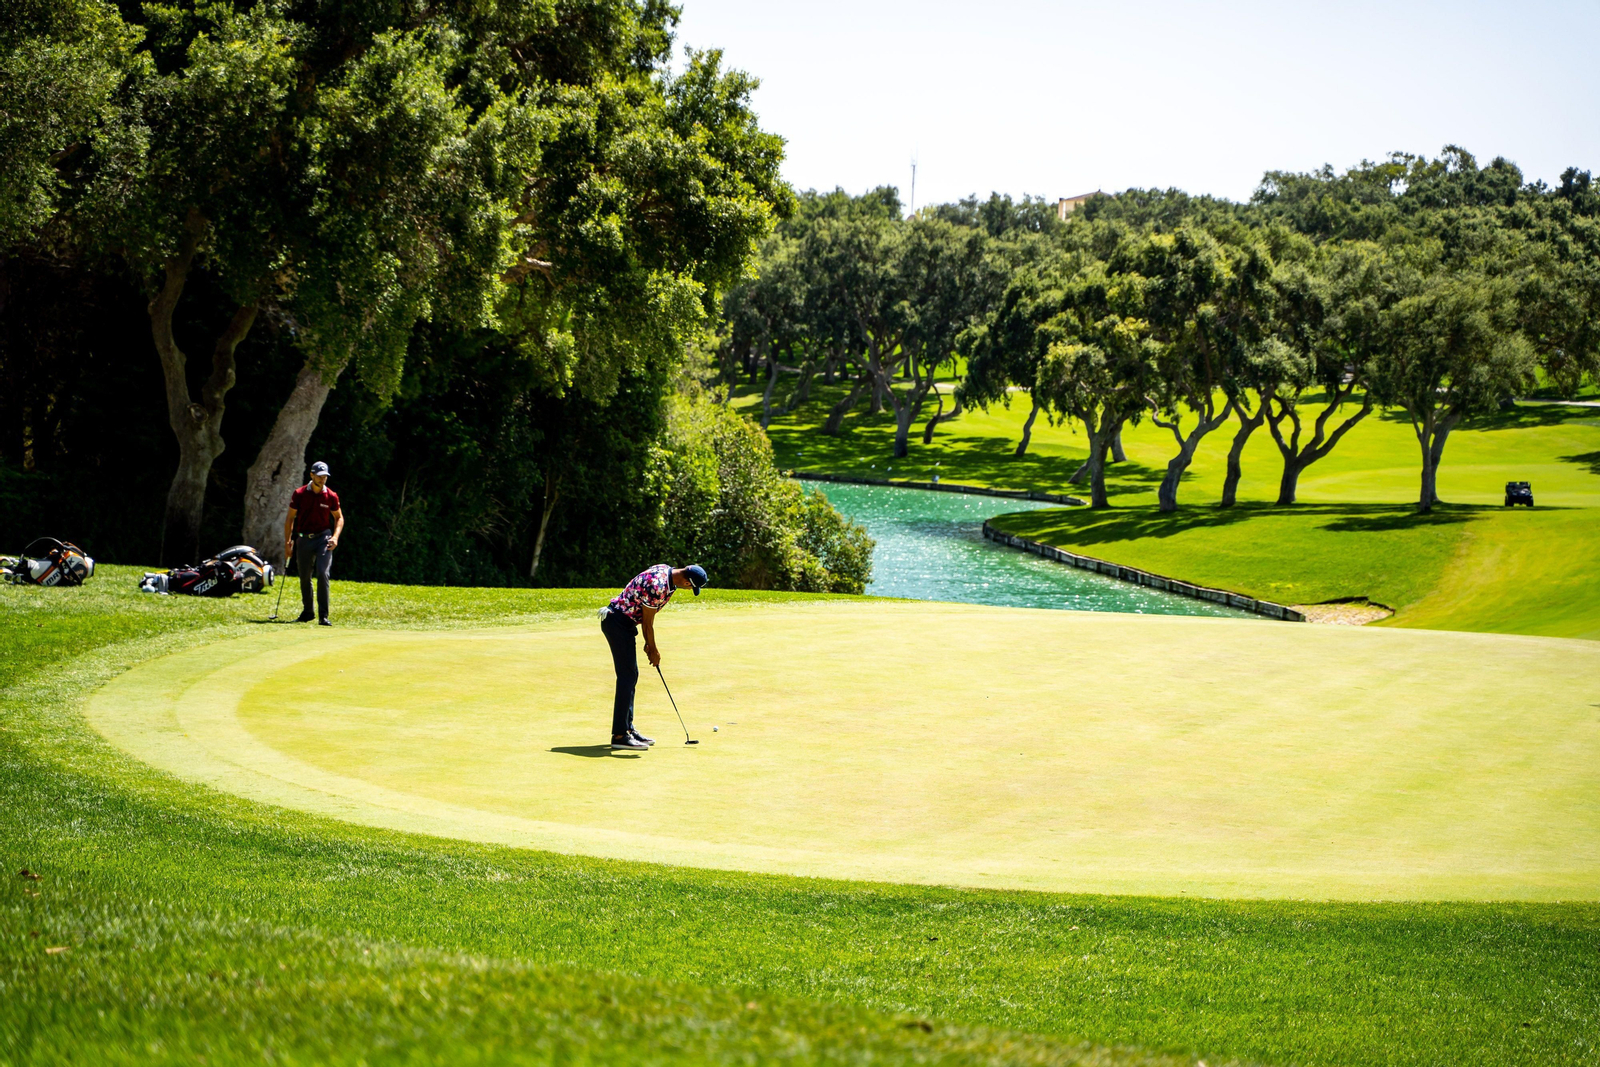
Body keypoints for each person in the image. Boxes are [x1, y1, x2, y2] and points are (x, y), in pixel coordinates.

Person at [600, 564, 707, 751]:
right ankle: (619, 735)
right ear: (685, 581)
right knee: (627, 677)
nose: (689, 590)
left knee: (631, 675)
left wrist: (649, 644)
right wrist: (653, 650)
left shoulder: (666, 572)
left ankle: (627, 729)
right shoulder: (658, 586)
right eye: (691, 587)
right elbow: (648, 624)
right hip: (617, 622)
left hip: (623, 622)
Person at [283, 460, 344, 626]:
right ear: (311, 475)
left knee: (323, 573)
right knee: (304, 577)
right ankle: (308, 612)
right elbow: (290, 518)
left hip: (323, 539)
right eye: (319, 476)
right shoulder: (300, 494)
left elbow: (338, 518)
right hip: (303, 539)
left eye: (325, 476)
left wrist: (335, 537)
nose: (322, 479)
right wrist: (288, 542)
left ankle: (323, 615)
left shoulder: (331, 495)